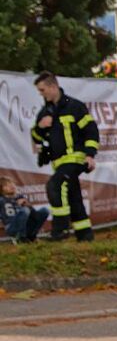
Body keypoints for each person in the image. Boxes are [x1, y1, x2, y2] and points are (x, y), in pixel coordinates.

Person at [32, 71, 98, 242]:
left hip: (76, 159)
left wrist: (90, 155)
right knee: (73, 196)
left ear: (53, 86)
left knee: (55, 185)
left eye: (43, 90)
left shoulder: (75, 106)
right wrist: (40, 127)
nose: (41, 94)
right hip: (59, 162)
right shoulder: (45, 111)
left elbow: (91, 131)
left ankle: (59, 230)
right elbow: (36, 138)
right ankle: (85, 235)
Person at [0, 177, 49, 243]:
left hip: (25, 226)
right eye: (6, 185)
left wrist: (27, 205)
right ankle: (20, 238)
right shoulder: (1, 200)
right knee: (25, 211)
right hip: (11, 226)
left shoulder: (20, 197)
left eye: (12, 184)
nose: (11, 186)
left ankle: (31, 236)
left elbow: (34, 216)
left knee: (44, 210)